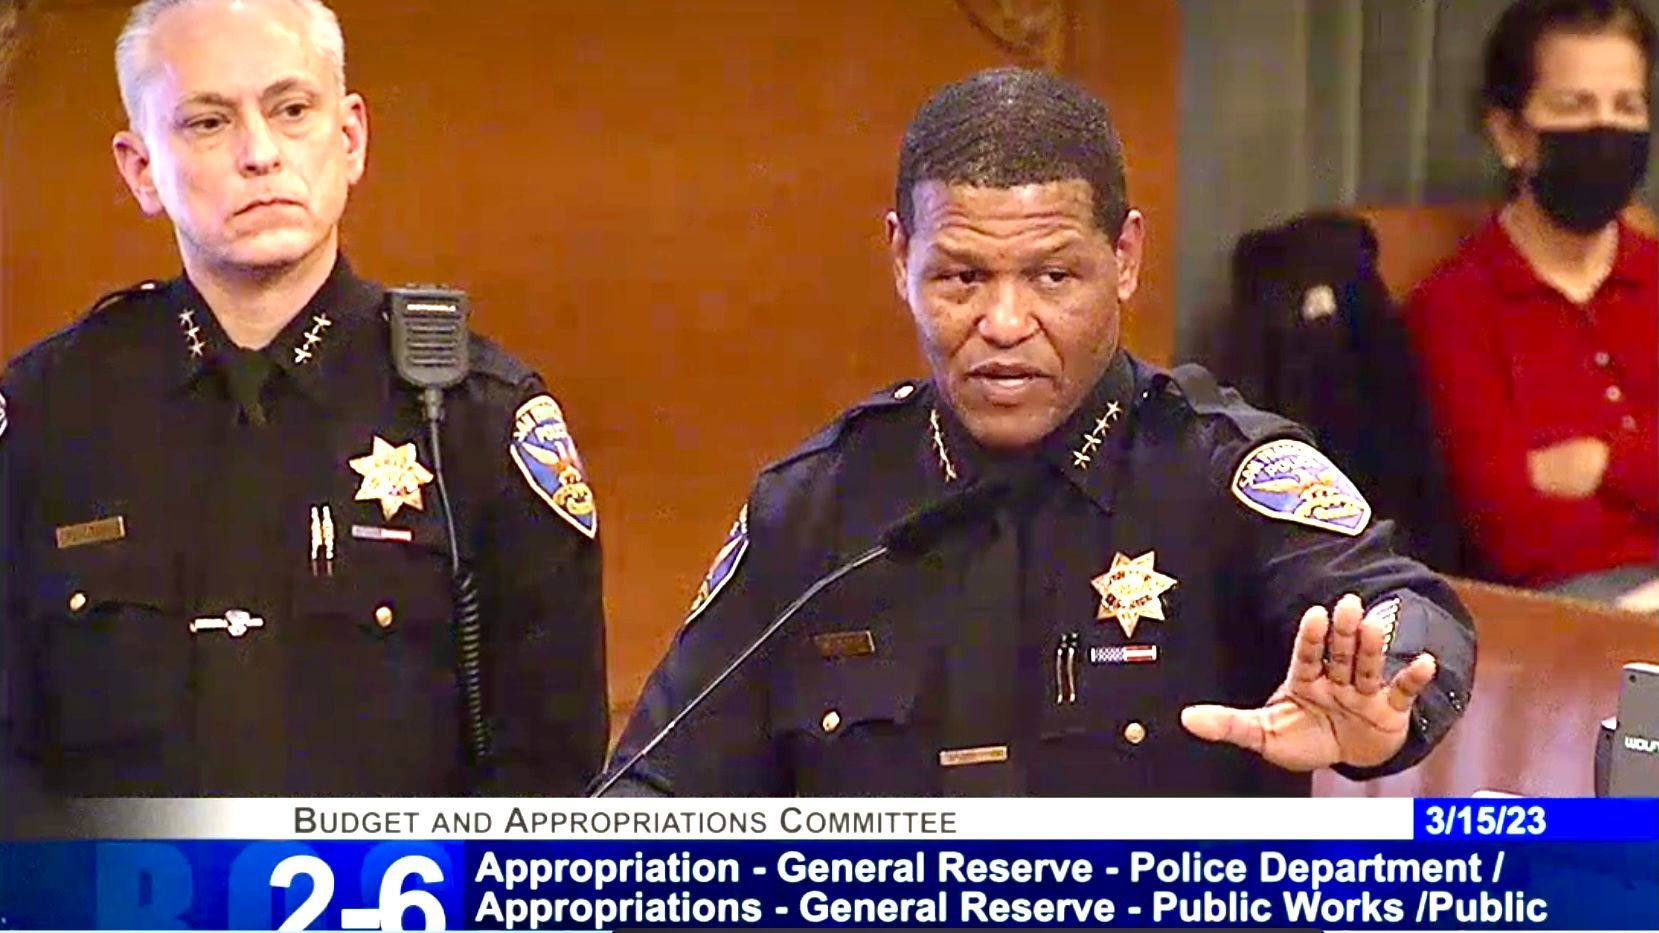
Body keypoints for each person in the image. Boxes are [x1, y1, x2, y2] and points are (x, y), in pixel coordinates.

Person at [604, 68, 1476, 797]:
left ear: (1125, 258)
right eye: (959, 276)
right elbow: (653, 795)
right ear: (898, 258)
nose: (1005, 321)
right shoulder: (814, 508)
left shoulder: (1220, 474)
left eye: (1054, 274)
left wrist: (1380, 702)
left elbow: (1410, 608)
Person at [0, 0, 607, 803]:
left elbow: (547, 772)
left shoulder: (475, 419)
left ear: (349, 137)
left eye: (291, 110)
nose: (260, 154)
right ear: (140, 167)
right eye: (208, 123)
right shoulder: (46, 413)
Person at [1403, 0, 1656, 602]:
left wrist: (1601, 464)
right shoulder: (1454, 308)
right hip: (1575, 619)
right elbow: (1511, 532)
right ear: (1511, 133)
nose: (1605, 129)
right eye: (1574, 106)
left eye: (1626, 106)